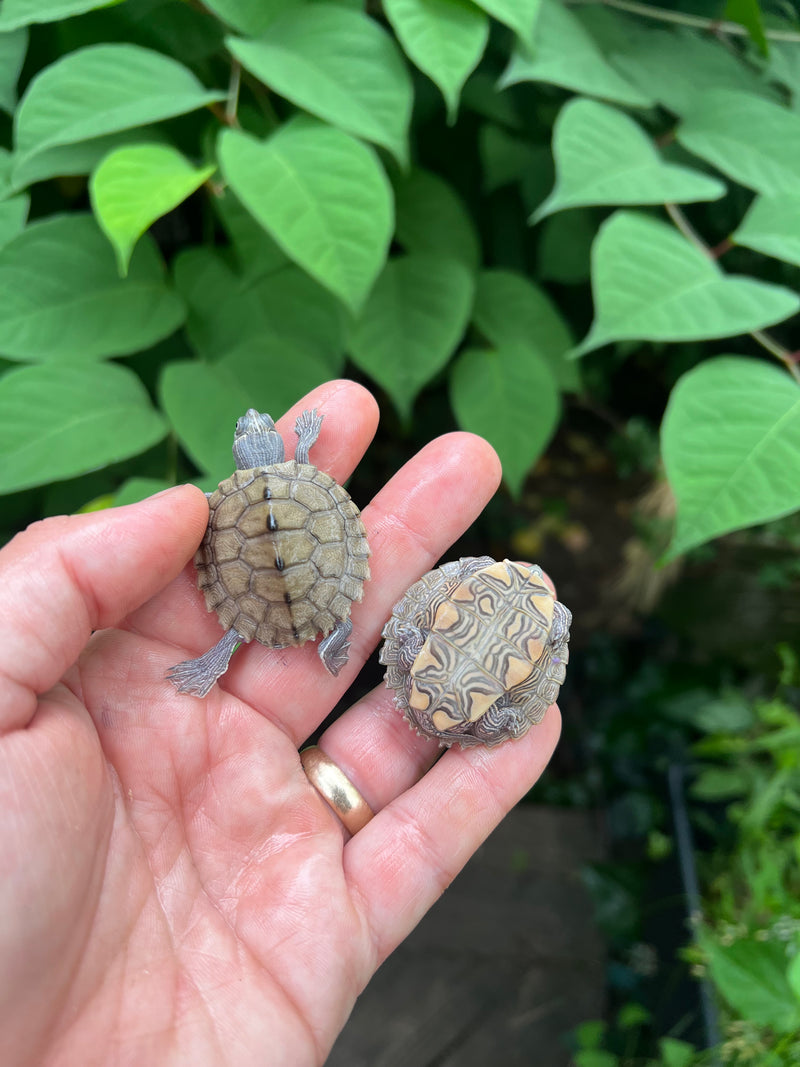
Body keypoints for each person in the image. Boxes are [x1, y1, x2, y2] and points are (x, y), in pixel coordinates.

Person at [0, 380, 561, 1066]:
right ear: (270, 446)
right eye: (253, 433)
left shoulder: (223, 504)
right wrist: (302, 446)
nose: (251, 428)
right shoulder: (299, 473)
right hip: (328, 589)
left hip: (270, 602)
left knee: (249, 593)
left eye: (252, 432)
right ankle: (290, 641)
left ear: (246, 453)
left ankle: (230, 651)